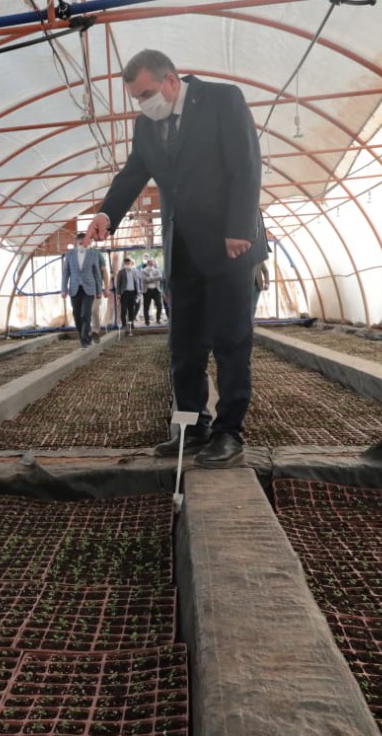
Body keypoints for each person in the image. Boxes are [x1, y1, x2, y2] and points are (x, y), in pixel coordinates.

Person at [85, 49, 267, 468]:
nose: (142, 103)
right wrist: (106, 214)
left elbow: (246, 164)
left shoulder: (223, 100)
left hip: (229, 244)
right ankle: (190, 427)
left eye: (146, 93)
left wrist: (239, 227)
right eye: (136, 98)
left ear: (171, 81)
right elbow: (133, 172)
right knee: (184, 347)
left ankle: (228, 433)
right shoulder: (146, 125)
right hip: (182, 249)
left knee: (230, 341)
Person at [60, 231, 105, 347]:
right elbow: (65, 273)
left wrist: (99, 290)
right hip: (74, 289)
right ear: (76, 242)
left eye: (83, 240)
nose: (81, 242)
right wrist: (63, 289)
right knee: (77, 314)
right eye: (79, 240)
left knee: (85, 313)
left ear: (87, 241)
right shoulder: (69, 255)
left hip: (89, 288)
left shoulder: (93, 254)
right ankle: (84, 336)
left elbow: (97, 273)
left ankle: (85, 340)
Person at [116, 254, 143, 334]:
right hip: (124, 293)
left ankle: (131, 324)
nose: (127, 264)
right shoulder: (121, 272)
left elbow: (137, 281)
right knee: (124, 310)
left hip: (133, 293)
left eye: (129, 263)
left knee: (131, 310)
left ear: (131, 263)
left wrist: (138, 292)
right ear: (124, 263)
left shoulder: (134, 271)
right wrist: (118, 293)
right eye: (126, 263)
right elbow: (118, 284)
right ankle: (124, 325)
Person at [90, 249, 111, 342]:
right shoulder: (75, 254)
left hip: (95, 287)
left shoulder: (97, 254)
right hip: (81, 289)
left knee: (94, 310)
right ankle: (86, 331)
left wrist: (106, 288)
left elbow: (104, 272)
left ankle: (95, 331)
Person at [140, 256, 165, 325]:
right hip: (147, 290)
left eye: (152, 262)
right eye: (150, 263)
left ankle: (158, 319)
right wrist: (154, 278)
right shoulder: (143, 270)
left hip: (156, 290)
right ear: (147, 263)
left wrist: (151, 278)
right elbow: (145, 279)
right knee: (146, 306)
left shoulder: (157, 270)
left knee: (159, 305)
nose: (152, 264)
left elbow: (160, 277)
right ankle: (147, 321)